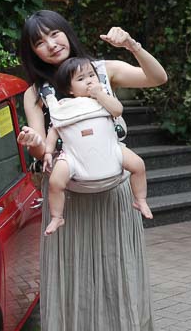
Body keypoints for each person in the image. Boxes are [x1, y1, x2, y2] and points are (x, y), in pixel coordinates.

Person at [16, 10, 167, 331]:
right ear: (32, 51)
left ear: (67, 32)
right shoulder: (37, 92)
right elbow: (40, 152)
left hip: (115, 192)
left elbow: (157, 78)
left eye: (54, 34)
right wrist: (34, 144)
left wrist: (130, 45)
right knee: (70, 278)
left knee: (123, 274)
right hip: (69, 198)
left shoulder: (101, 70)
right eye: (39, 41)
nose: (51, 44)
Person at [42, 56, 153, 236]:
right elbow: (54, 129)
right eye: (81, 79)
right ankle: (57, 216)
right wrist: (48, 151)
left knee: (138, 165)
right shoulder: (63, 106)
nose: (89, 81)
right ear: (69, 89)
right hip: (73, 156)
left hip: (111, 149)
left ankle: (140, 199)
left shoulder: (104, 99)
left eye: (91, 75)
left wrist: (100, 94)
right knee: (55, 182)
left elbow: (117, 110)